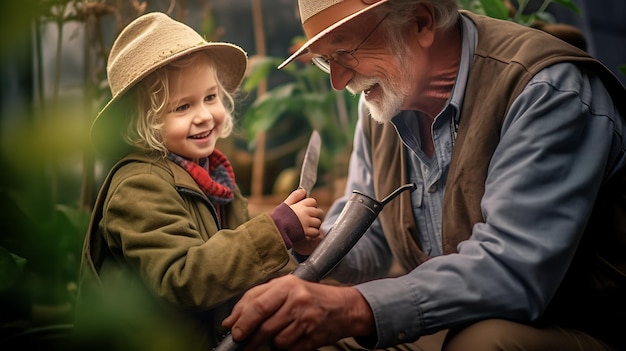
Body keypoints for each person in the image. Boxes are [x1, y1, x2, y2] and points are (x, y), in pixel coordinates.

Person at [220, 0, 626, 350]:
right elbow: (374, 244)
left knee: (484, 344)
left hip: (574, 325)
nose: (338, 80)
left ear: (420, 22)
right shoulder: (385, 103)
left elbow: (512, 270)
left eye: (345, 51)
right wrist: (317, 243)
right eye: (326, 60)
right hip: (455, 319)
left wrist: (352, 308)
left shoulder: (545, 90)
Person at [73, 12, 323, 350]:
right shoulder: (139, 186)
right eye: (182, 107)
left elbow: (239, 264)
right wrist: (274, 230)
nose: (204, 115)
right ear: (142, 124)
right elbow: (181, 278)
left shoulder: (212, 174)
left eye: (210, 97)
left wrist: (292, 246)